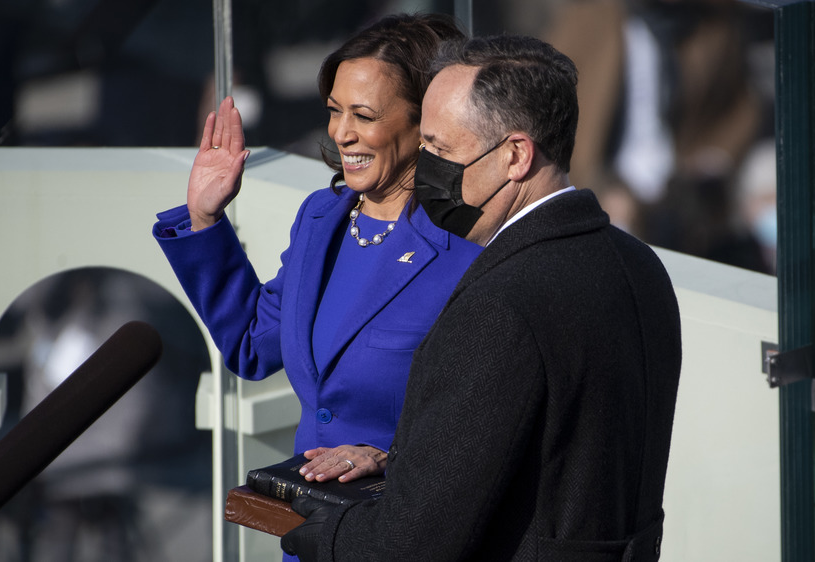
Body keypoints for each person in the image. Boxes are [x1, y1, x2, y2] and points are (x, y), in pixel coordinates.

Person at [281, 34, 682, 561]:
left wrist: (320, 532)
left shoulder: (500, 304)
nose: (424, 170)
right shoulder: (640, 265)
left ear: (516, 155)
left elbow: (413, 545)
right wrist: (395, 458)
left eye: (441, 151)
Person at [152, 14, 479, 485]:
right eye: (334, 110)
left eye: (363, 115)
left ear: (426, 123)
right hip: (312, 531)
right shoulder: (322, 218)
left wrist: (387, 453)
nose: (341, 133)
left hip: (410, 523)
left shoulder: (467, 242)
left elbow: (488, 407)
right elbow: (252, 346)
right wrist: (205, 219)